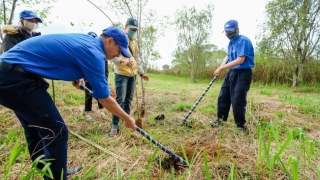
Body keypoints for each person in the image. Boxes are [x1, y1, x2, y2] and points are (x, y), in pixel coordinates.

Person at [0, 26, 136, 180]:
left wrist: (76, 76)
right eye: (119, 51)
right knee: (56, 131)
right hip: (17, 79)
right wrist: (127, 118)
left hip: (7, 74)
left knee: (35, 127)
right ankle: (56, 176)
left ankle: (48, 169)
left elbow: (61, 55)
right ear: (110, 41)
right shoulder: (95, 53)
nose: (117, 56)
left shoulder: (87, 41)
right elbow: (104, 98)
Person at [211, 20, 254, 134]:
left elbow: (240, 60)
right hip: (231, 72)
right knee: (223, 96)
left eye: (230, 31)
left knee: (238, 100)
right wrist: (220, 66)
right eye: (226, 32)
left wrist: (222, 68)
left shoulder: (243, 40)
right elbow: (228, 56)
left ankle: (240, 125)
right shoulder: (231, 43)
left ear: (237, 29)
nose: (228, 34)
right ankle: (220, 119)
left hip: (242, 73)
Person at [109, 17, 149, 138]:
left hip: (132, 75)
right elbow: (112, 57)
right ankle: (114, 125)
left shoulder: (134, 44)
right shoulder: (118, 41)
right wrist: (122, 60)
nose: (133, 31)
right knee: (120, 100)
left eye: (135, 30)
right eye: (131, 29)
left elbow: (137, 60)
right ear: (125, 26)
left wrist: (141, 73)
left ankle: (125, 121)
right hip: (121, 74)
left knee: (128, 100)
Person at [83, 31, 108, 120]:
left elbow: (105, 68)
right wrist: (85, 78)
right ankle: (88, 112)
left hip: (99, 78)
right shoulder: (85, 53)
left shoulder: (102, 54)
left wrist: (106, 77)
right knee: (88, 94)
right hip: (88, 79)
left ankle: (101, 110)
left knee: (101, 94)